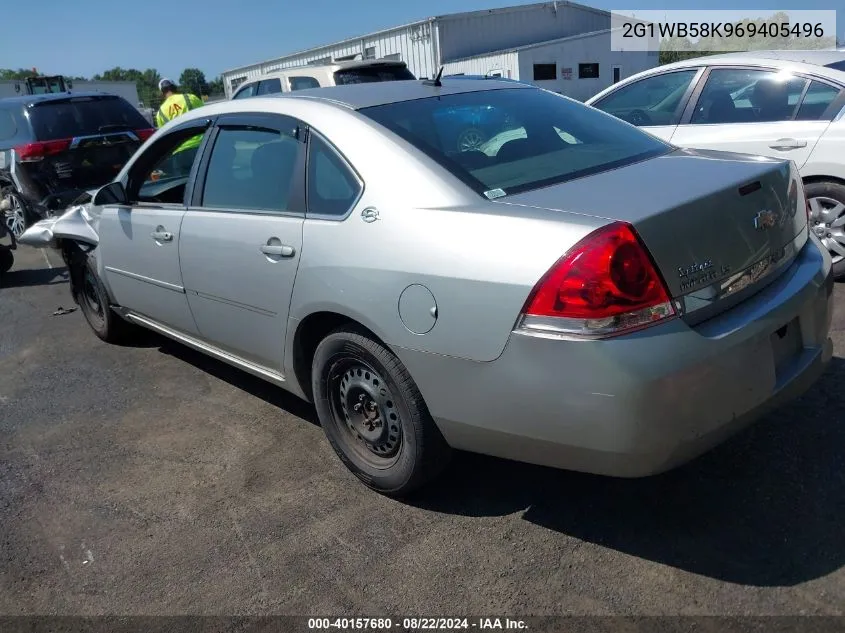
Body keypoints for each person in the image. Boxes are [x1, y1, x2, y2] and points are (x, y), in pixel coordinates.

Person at [153, 79, 205, 177]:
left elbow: (165, 138)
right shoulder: (190, 98)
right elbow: (207, 116)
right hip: (202, 146)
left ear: (162, 93)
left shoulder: (160, 113)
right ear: (175, 87)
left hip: (180, 154)